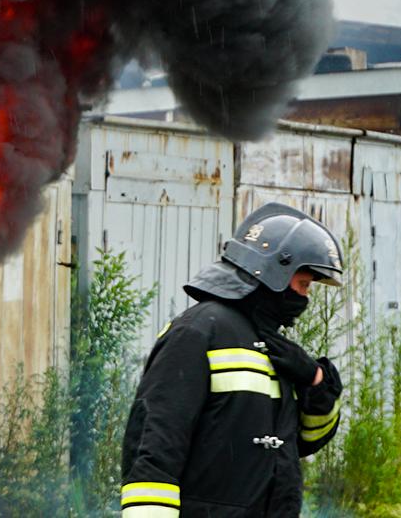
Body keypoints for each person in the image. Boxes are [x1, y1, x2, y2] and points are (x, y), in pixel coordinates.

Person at [119, 203, 346, 517]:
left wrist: (315, 381)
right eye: (304, 284)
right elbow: (156, 448)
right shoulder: (197, 333)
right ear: (276, 272)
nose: (305, 297)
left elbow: (308, 440)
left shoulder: (273, 349)